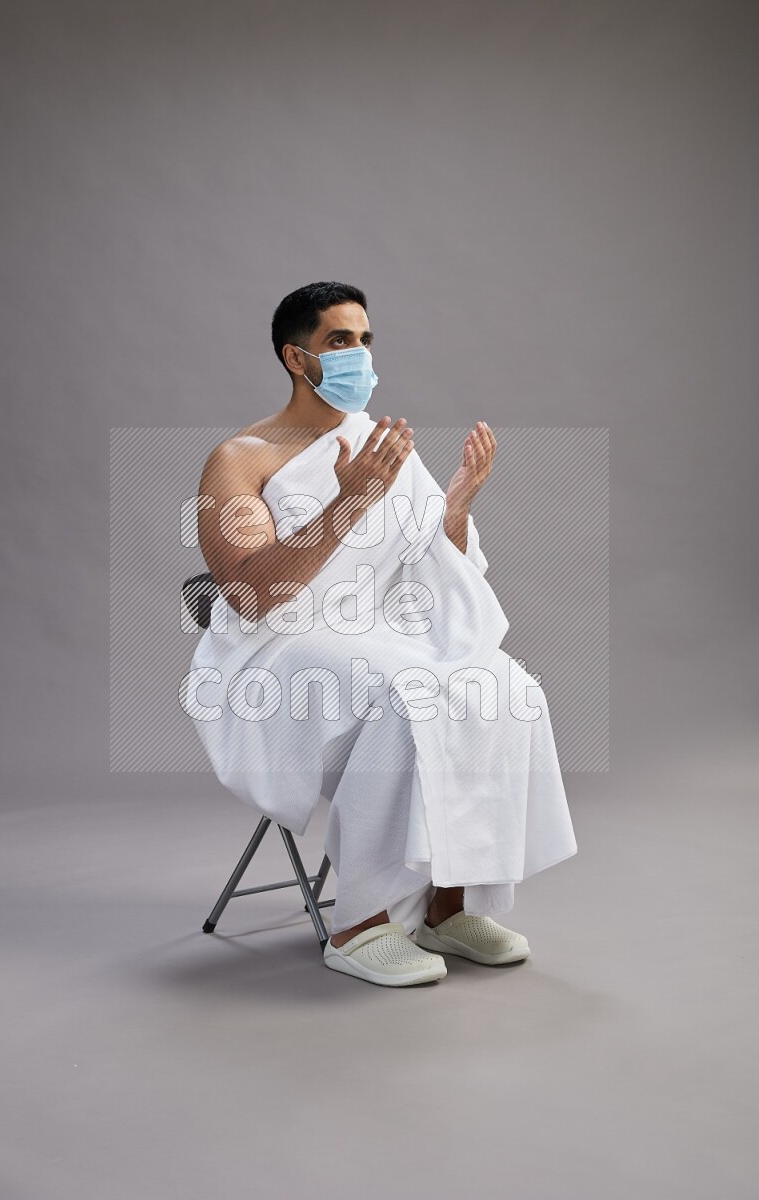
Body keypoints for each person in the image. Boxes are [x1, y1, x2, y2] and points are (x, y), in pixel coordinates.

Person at [184, 281, 578, 988]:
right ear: (295, 357)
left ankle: (449, 906)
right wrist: (349, 499)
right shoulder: (240, 458)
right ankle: (360, 925)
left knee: (501, 685)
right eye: (340, 340)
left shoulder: (377, 444)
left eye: (365, 340)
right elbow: (252, 593)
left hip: (375, 632)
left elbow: (434, 563)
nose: (359, 355)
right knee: (409, 694)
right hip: (276, 651)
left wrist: (454, 509)